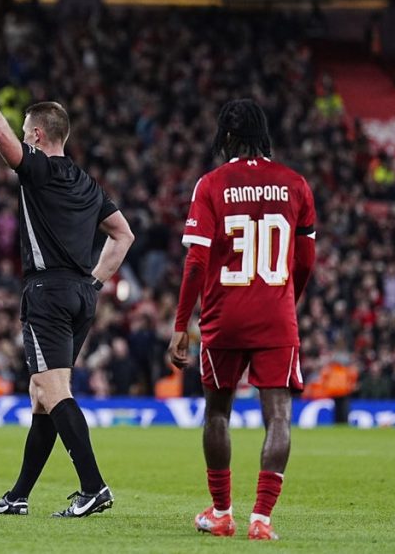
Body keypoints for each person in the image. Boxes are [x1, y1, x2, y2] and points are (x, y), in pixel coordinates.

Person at [0, 46, 135, 518]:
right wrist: (95, 282)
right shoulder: (87, 183)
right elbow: (123, 235)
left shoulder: (38, 170)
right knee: (41, 395)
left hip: (47, 293)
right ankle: (18, 496)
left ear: (35, 135)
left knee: (54, 392)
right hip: (80, 297)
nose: (21, 139)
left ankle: (94, 487)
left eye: (25, 134)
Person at [168, 99, 316, 541]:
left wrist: (181, 325)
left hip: (223, 317)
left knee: (217, 412)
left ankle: (221, 513)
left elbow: (196, 262)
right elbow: (306, 261)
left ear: (227, 137)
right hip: (276, 317)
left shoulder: (211, 184)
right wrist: (286, 302)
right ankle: (261, 520)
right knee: (279, 417)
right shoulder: (295, 184)